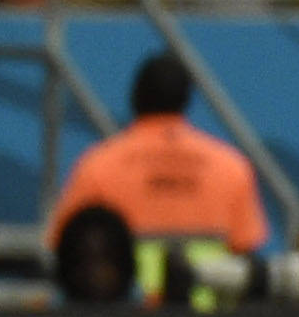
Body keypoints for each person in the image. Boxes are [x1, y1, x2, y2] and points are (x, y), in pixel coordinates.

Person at [46, 53, 270, 264]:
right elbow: (245, 250)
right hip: (208, 304)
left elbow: (63, 245)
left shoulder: (98, 165)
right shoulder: (231, 167)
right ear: (185, 99)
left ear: (135, 96)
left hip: (125, 304)